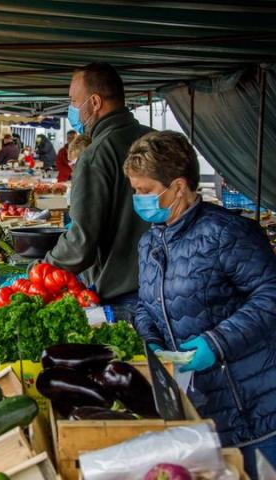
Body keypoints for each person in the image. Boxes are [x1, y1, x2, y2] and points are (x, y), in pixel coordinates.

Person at [124, 131, 276, 478]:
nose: (138, 199)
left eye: (145, 190)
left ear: (178, 186)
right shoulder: (150, 242)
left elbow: (270, 294)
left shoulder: (229, 233)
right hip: (201, 407)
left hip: (254, 404)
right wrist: (150, 341)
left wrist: (215, 343)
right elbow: (146, 305)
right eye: (135, 190)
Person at [44, 62, 152, 320]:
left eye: (73, 100)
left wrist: (44, 266)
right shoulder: (153, 141)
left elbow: (81, 243)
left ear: (94, 102)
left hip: (121, 294)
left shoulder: (96, 155)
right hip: (162, 289)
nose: (71, 109)